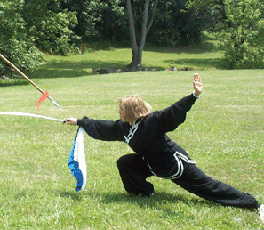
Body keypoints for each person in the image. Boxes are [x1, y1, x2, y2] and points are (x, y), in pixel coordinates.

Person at [64, 73, 263, 221]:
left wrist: (194, 95)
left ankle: (251, 203)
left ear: (133, 111)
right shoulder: (125, 127)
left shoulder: (154, 121)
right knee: (126, 163)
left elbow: (174, 112)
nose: (119, 112)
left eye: (122, 109)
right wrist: (80, 122)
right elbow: (104, 127)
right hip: (151, 163)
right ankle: (144, 192)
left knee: (207, 187)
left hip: (174, 165)